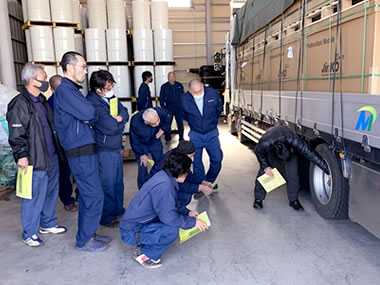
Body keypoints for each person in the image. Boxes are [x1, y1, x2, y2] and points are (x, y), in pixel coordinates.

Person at [54, 51, 109, 252]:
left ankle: (89, 234)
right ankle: (84, 240)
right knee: (94, 195)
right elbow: (89, 112)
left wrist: (88, 115)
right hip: (79, 151)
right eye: (83, 67)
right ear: (70, 68)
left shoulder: (73, 90)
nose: (86, 71)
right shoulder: (65, 91)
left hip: (84, 148)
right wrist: (87, 115)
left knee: (87, 195)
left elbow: (89, 114)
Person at [7, 63, 67, 247]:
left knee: (50, 192)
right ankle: (29, 232)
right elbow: (16, 133)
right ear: (32, 80)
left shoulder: (42, 100)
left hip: (51, 156)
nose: (46, 81)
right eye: (43, 77)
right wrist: (22, 155)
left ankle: (48, 224)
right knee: (32, 197)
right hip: (34, 159)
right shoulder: (20, 103)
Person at [120, 151, 208, 269]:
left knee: (173, 220)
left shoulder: (164, 176)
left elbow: (171, 202)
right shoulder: (165, 186)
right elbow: (169, 218)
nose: (187, 174)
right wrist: (193, 222)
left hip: (137, 223)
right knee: (171, 230)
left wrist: (187, 212)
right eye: (187, 172)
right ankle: (145, 254)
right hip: (131, 231)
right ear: (180, 173)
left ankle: (144, 240)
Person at [87, 70, 130, 228]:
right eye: (108, 87)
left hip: (115, 147)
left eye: (112, 85)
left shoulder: (110, 98)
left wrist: (120, 118)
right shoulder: (93, 103)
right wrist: (119, 123)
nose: (111, 89)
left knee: (118, 182)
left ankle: (117, 209)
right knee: (108, 184)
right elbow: (110, 127)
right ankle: (106, 216)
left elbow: (125, 112)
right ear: (97, 89)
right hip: (104, 149)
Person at [253, 125, 330, 210]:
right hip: (271, 149)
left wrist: (327, 169)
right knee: (265, 172)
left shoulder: (295, 140)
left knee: (293, 174)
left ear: (292, 149)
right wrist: (266, 166)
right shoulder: (265, 143)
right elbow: (258, 152)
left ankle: (293, 200)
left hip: (288, 148)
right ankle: (258, 199)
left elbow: (311, 154)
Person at [182, 78, 223, 197]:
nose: (199, 93)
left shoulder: (213, 94)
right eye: (195, 92)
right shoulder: (184, 99)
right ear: (190, 91)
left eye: (201, 90)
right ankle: (201, 185)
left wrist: (210, 123)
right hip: (196, 135)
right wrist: (195, 123)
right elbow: (184, 115)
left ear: (203, 87)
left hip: (212, 133)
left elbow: (218, 110)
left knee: (217, 158)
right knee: (196, 162)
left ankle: (209, 181)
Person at [48, 75, 78, 212]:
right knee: (64, 173)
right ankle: (67, 200)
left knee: (80, 172)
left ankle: (79, 195)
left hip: (75, 141)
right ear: (53, 89)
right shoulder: (50, 104)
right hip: (61, 145)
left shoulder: (69, 100)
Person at [161, 140, 213, 214]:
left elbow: (188, 175)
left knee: (186, 194)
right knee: (185, 196)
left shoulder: (179, 158)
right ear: (184, 154)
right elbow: (179, 185)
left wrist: (201, 181)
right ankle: (170, 211)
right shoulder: (171, 162)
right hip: (161, 192)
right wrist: (199, 187)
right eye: (191, 156)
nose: (192, 159)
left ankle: (175, 210)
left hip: (166, 188)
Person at [130, 107, 172, 189]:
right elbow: (134, 140)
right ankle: (143, 189)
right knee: (143, 166)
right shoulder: (135, 121)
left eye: (158, 121)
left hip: (155, 141)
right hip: (141, 144)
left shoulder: (159, 111)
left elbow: (169, 116)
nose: (157, 124)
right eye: (154, 123)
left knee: (161, 163)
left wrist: (163, 129)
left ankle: (161, 185)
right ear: (146, 122)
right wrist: (141, 154)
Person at [159, 72, 185, 143]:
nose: (172, 78)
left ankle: (181, 138)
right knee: (167, 124)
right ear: (168, 78)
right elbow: (161, 98)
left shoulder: (179, 85)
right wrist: (164, 108)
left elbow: (183, 97)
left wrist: (183, 106)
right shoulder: (164, 86)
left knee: (180, 123)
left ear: (175, 77)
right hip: (169, 108)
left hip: (178, 108)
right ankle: (168, 139)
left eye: (173, 77)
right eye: (170, 77)